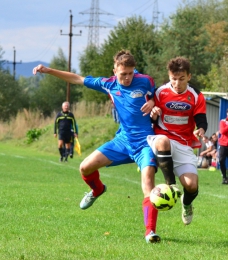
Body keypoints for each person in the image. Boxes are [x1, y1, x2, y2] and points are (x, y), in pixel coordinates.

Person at [33, 50, 161, 243]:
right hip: (122, 141)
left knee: (148, 184)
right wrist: (48, 70)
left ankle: (150, 232)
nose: (127, 78)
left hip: (146, 143)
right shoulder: (108, 84)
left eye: (130, 73)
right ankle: (97, 190)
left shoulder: (146, 81)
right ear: (114, 71)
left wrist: (153, 101)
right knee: (85, 167)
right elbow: (76, 78)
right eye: (122, 74)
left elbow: (160, 95)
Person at [147, 57, 207, 225]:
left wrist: (201, 128)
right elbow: (149, 118)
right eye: (174, 78)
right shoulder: (160, 92)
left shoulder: (196, 95)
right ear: (169, 76)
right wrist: (154, 115)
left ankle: (186, 203)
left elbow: (201, 118)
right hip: (161, 137)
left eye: (181, 79)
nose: (177, 83)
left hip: (183, 143)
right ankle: (171, 185)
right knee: (163, 141)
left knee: (191, 185)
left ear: (189, 76)